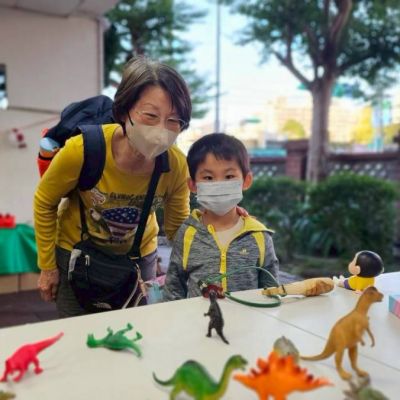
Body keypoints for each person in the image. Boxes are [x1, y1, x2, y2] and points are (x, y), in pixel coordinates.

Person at [34, 57, 192, 317]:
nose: (160, 130)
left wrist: (222, 225)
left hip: (138, 259)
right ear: (124, 111)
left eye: (174, 120)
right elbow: (44, 201)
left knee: (137, 331)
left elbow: (178, 229)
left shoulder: (175, 165)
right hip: (77, 255)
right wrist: (48, 266)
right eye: (151, 116)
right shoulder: (82, 150)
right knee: (77, 333)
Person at [163, 133, 279, 300]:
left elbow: (272, 291)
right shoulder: (187, 234)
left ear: (246, 180)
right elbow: (173, 288)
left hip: (248, 317)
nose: (218, 184)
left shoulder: (259, 235)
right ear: (193, 185)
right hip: (199, 317)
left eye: (229, 176)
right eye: (208, 178)